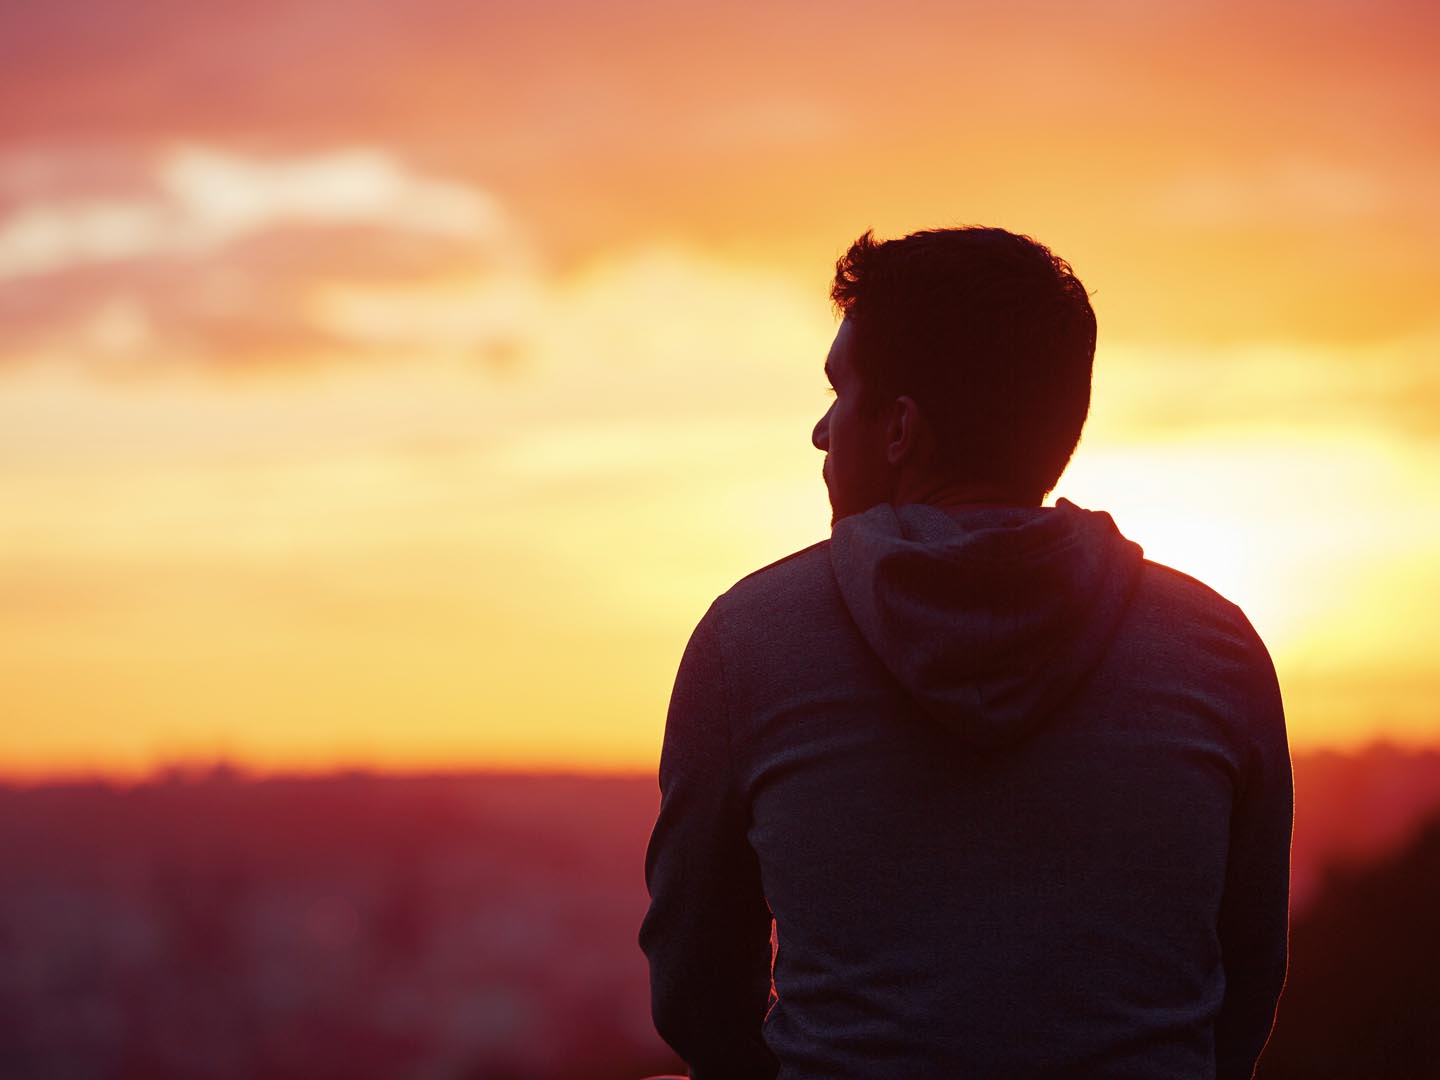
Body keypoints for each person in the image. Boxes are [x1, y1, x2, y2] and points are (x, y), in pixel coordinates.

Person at [638, 227, 1292, 1079]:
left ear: (902, 429)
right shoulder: (1219, 650)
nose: (820, 432)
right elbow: (1243, 990)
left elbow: (695, 993)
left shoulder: (749, 641)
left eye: (841, 394)